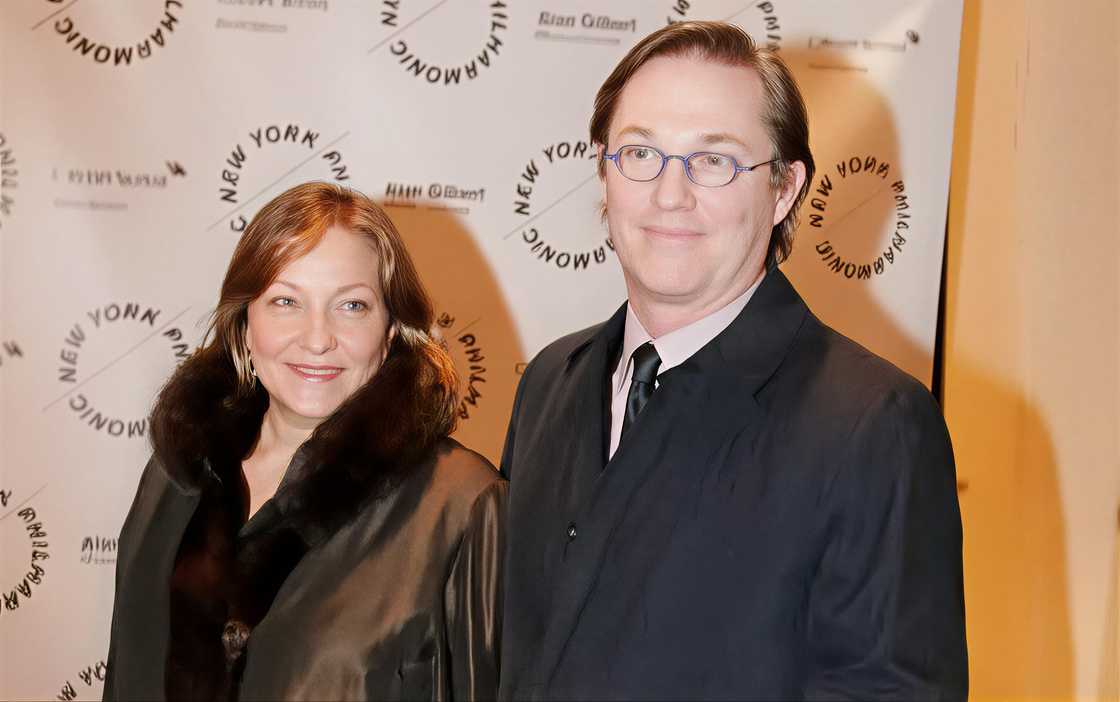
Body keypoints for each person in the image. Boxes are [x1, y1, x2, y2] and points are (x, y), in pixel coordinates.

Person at [499, 21, 967, 700]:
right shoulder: (549, 381)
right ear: (603, 168)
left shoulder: (875, 426)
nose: (669, 194)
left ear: (783, 189)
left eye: (713, 160)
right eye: (640, 153)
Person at [103, 182, 505, 701]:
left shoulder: (460, 505)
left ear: (391, 330)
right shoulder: (178, 472)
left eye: (352, 306)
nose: (317, 338)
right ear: (246, 324)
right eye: (286, 301)